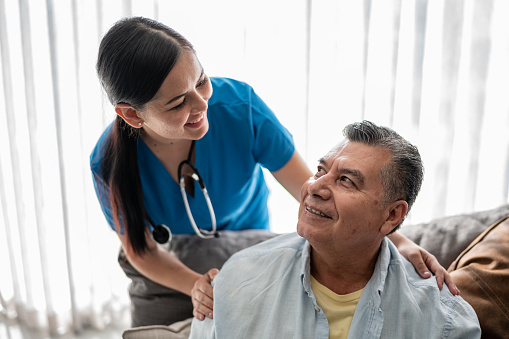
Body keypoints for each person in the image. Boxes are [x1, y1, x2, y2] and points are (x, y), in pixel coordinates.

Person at [90, 16, 458, 327]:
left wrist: (401, 240)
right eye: (177, 103)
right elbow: (140, 251)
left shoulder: (239, 107)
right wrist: (198, 285)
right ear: (133, 115)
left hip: (252, 245)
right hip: (180, 265)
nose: (203, 103)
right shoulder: (108, 164)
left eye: (201, 81)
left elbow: (314, 189)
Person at [189, 121, 481, 339]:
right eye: (320, 170)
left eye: (346, 181)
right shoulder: (235, 283)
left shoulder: (446, 323)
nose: (314, 187)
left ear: (392, 215)